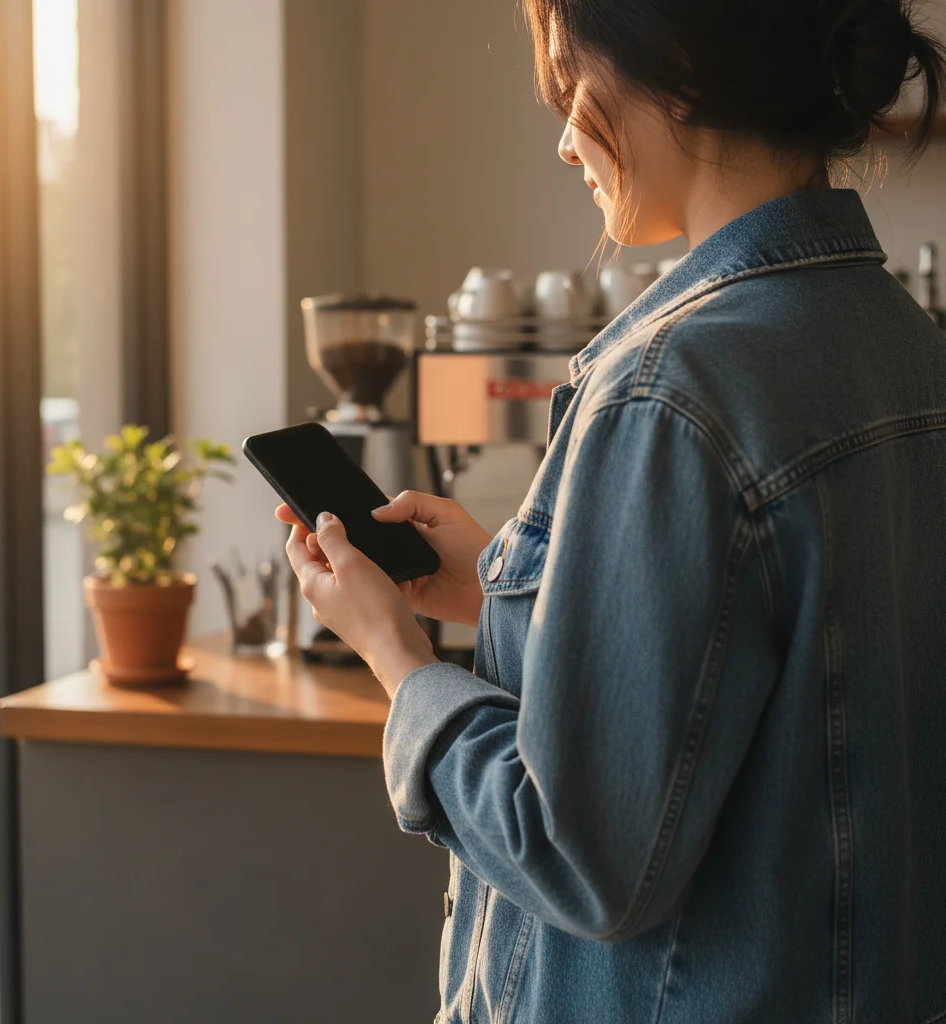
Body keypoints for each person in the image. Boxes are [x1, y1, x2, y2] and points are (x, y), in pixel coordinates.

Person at [278, 1, 946, 1020]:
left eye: (569, 93)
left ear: (671, 67)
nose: (561, 140)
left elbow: (577, 853)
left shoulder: (671, 389)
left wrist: (395, 659)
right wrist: (513, 588)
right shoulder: (899, 343)